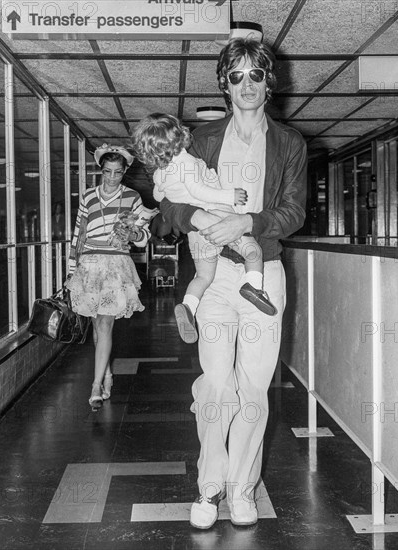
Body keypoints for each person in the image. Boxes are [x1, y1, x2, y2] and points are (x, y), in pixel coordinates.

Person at [159, 38, 307, 528]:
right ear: (225, 83)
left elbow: (293, 211)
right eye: (237, 75)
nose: (247, 84)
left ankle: (242, 488)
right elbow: (169, 203)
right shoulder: (202, 140)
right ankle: (209, 488)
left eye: (256, 75)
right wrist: (200, 215)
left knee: (253, 389)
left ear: (270, 82)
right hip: (215, 274)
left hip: (262, 274)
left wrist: (246, 224)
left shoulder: (290, 143)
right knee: (217, 386)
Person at [132, 113, 277, 344]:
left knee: (204, 276)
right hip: (216, 216)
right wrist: (230, 195)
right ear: (178, 135)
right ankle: (253, 286)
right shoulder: (185, 161)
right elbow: (200, 192)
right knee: (253, 251)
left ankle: (188, 306)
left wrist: (175, 192)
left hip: (196, 233)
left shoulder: (161, 173)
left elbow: (159, 194)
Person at [66, 144, 150, 411]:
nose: (112, 177)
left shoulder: (133, 197)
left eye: (117, 172)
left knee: (104, 324)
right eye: (107, 172)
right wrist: (71, 270)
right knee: (95, 326)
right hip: (89, 264)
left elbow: (143, 237)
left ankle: (95, 386)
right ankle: (107, 373)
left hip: (116, 265)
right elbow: (78, 235)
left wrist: (133, 234)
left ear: (125, 171)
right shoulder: (88, 197)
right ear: (100, 170)